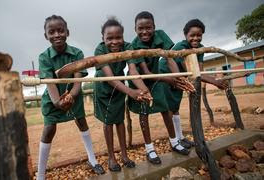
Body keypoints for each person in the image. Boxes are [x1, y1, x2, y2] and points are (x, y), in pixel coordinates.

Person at [37, 15, 105, 180]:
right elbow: (50, 83)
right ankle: (40, 174)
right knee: (48, 130)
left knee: (81, 122)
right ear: (46, 36)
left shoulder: (77, 53)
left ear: (67, 32)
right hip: (53, 99)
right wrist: (57, 102)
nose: (57, 34)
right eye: (51, 32)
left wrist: (71, 97)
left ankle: (92, 159)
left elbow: (77, 81)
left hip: (73, 96)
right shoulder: (44, 57)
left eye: (60, 30)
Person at [128, 11, 192, 165]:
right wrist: (170, 80)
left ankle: (174, 141)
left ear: (154, 27)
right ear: (135, 29)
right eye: (140, 28)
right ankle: (149, 149)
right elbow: (146, 72)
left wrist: (179, 78)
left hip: (156, 79)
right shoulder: (134, 45)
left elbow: (170, 59)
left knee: (165, 109)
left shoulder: (161, 35)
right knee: (144, 113)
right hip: (141, 81)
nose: (145, 31)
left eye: (148, 27)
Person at [94, 17, 152, 172]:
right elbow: (111, 78)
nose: (114, 42)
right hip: (104, 90)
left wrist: (144, 90)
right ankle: (112, 158)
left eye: (118, 37)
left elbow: (132, 71)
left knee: (119, 121)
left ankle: (124, 155)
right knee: (108, 122)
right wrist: (131, 92)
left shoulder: (128, 47)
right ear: (103, 38)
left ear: (123, 36)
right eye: (109, 38)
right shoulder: (99, 50)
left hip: (120, 90)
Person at [159, 19, 228, 147]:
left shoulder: (200, 49)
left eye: (199, 35)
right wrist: (214, 81)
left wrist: (215, 80)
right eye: (192, 35)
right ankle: (174, 140)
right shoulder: (181, 47)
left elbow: (200, 70)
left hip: (181, 77)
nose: (196, 38)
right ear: (186, 35)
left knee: (175, 107)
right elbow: (192, 71)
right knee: (169, 108)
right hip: (167, 76)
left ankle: (180, 137)